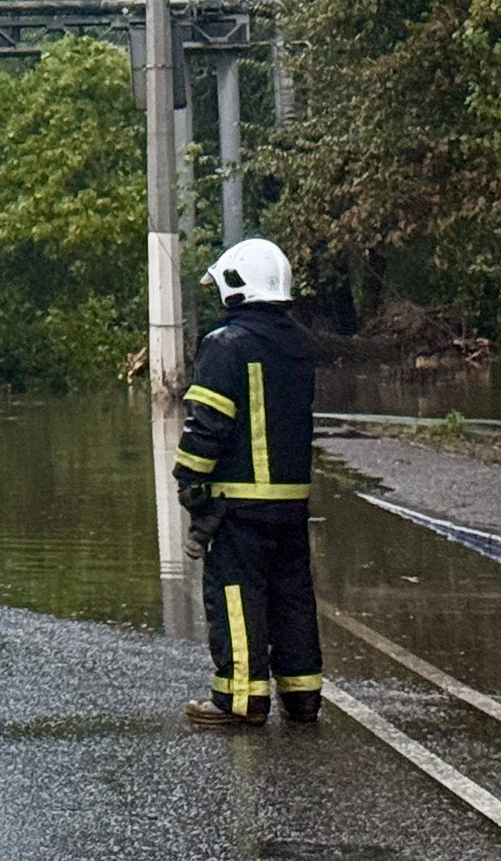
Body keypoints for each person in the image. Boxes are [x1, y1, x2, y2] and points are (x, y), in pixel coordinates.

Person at [173, 236, 324, 729]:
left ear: (237, 286)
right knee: (292, 598)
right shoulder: (299, 347)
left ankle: (240, 700)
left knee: (237, 597)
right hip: (291, 503)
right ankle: (302, 697)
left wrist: (189, 478)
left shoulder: (225, 345)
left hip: (238, 505)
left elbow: (208, 424)